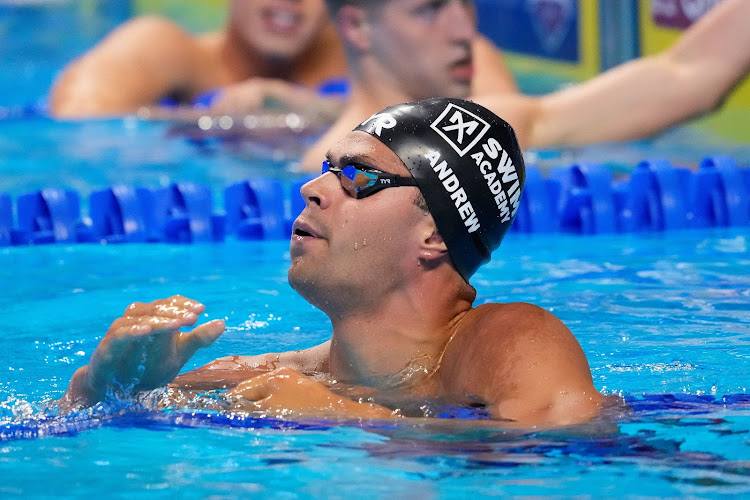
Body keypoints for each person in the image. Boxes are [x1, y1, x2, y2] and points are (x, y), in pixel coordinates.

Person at [59, 97, 607, 428]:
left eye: (358, 177)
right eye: (327, 168)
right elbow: (57, 439)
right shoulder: (271, 377)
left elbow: (565, 447)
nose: (313, 187)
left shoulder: (508, 340)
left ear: (435, 235)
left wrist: (346, 417)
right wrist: (108, 388)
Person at [302, 0, 750, 170]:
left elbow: (688, 76)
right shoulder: (323, 175)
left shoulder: (481, 126)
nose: (464, 29)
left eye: (465, 3)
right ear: (357, 26)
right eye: (431, 9)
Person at [49, 0, 517, 119]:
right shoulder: (169, 49)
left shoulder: (381, 53)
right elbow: (76, 121)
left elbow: (509, 127)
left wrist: (306, 112)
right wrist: (204, 122)